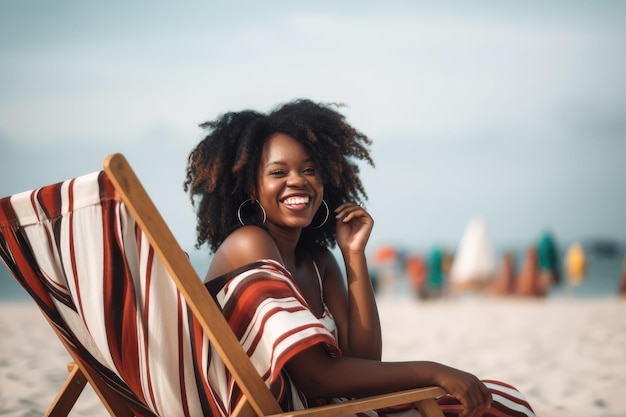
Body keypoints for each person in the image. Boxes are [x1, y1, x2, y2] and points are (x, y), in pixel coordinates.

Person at [184, 99, 535, 417]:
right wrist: (433, 370)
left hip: (333, 410)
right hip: (291, 413)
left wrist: (354, 256)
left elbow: (365, 364)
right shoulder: (249, 244)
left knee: (499, 400)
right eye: (278, 172)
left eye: (309, 170)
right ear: (250, 188)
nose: (298, 182)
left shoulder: (319, 260)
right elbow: (316, 377)